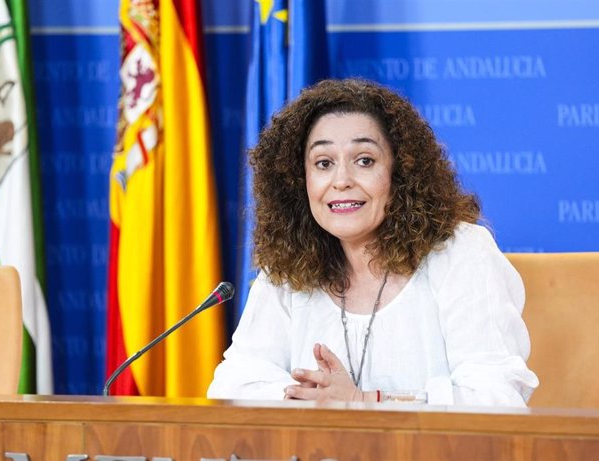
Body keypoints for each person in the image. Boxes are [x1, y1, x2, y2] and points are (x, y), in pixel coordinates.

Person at [208, 78, 539, 406]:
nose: (341, 181)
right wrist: (316, 402)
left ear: (400, 173)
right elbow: (234, 382)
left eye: (364, 160)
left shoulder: (461, 253)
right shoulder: (290, 266)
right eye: (324, 163)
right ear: (300, 181)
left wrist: (368, 401)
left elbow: (496, 396)